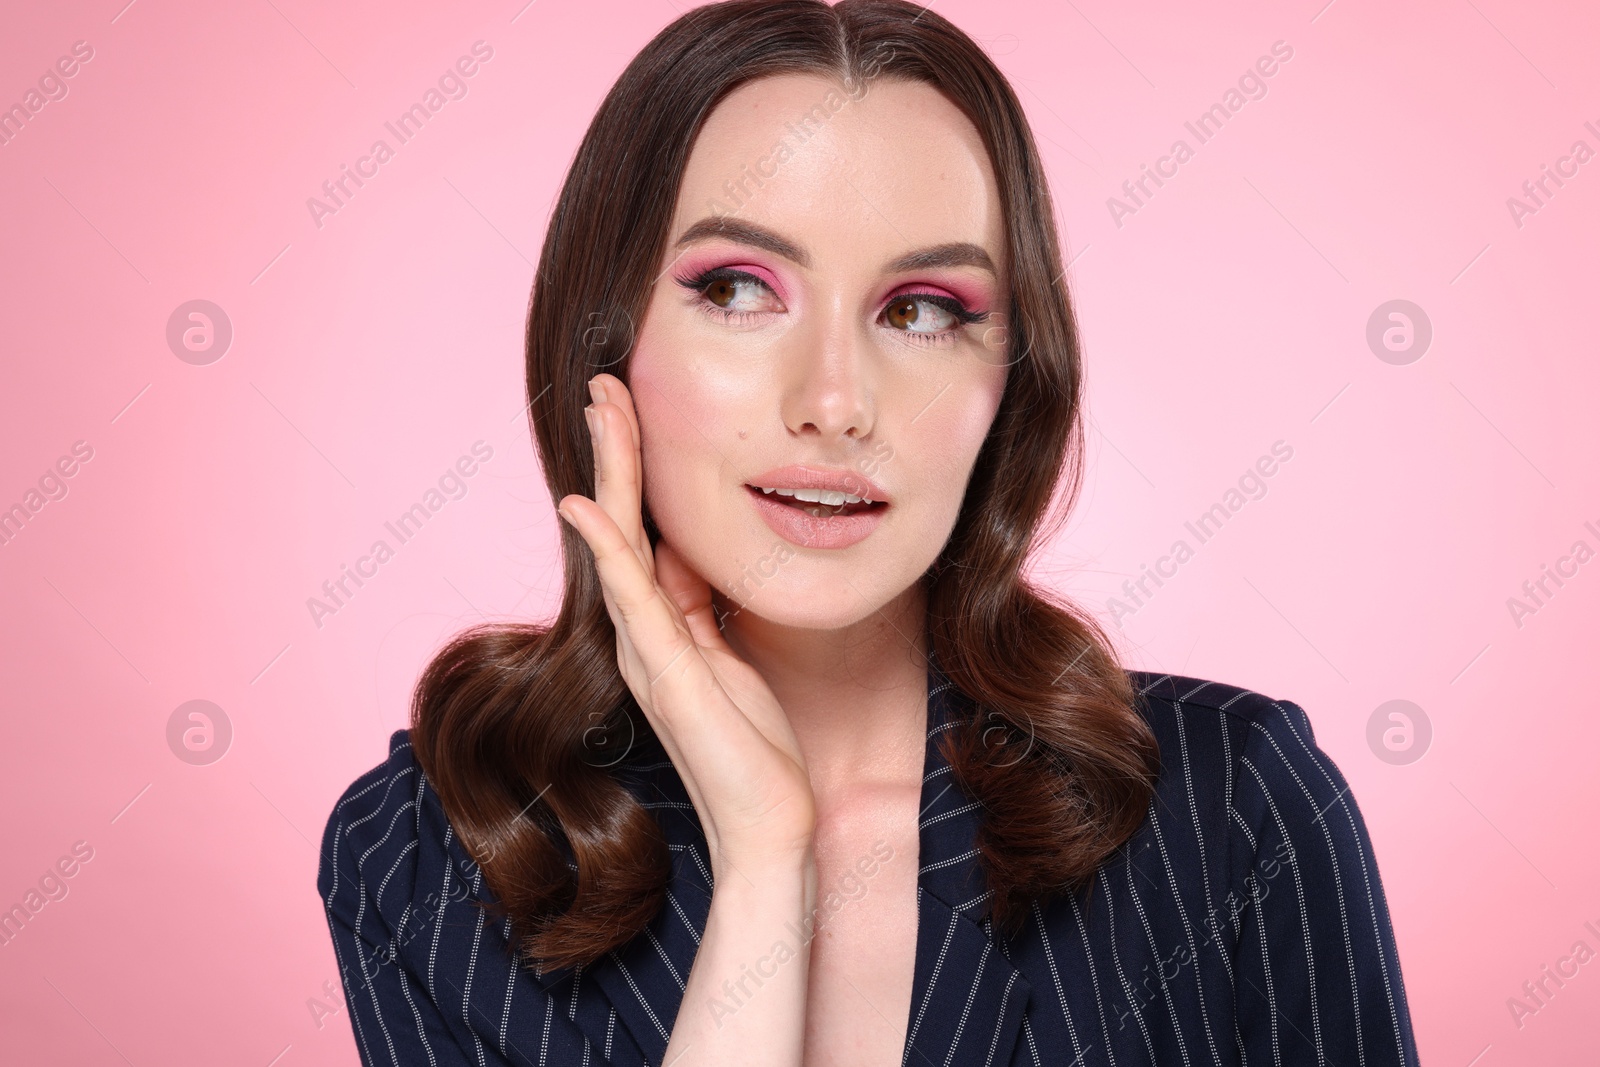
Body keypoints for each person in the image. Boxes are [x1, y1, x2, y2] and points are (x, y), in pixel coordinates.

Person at [317, 2, 1420, 1064]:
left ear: (1008, 382)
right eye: (740, 287)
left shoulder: (1232, 805)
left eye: (922, 309)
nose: (835, 401)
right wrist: (762, 865)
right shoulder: (431, 855)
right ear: (604, 342)